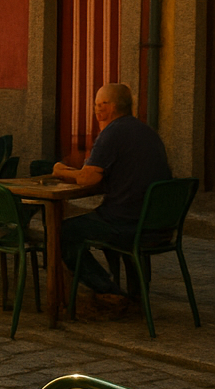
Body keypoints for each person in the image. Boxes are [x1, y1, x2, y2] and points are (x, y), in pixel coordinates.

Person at [53, 83, 171, 319]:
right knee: (99, 219)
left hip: (125, 224)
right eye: (95, 105)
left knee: (62, 232)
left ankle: (108, 292)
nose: (96, 110)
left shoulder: (112, 133)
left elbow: (87, 178)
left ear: (112, 107)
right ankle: (137, 295)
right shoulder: (148, 132)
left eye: (100, 105)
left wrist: (61, 171)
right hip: (158, 226)